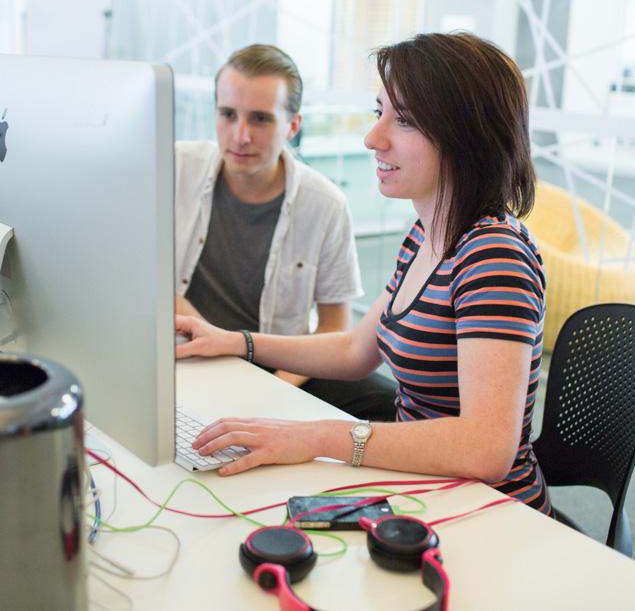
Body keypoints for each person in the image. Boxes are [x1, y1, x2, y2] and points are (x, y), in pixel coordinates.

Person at [176, 33, 551, 515]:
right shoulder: (428, 235)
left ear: (465, 136)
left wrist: (319, 437)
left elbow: (487, 449)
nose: (374, 138)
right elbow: (356, 350)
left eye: (406, 121)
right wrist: (238, 341)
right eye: (380, 114)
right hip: (423, 489)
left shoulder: (494, 256)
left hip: (488, 511)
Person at [175, 43, 397, 422]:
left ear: (293, 126)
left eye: (260, 119)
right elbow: (141, 279)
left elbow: (333, 328)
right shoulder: (176, 167)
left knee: (386, 400)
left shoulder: (325, 204)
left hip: (275, 365)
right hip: (180, 350)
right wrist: (209, 341)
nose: (240, 135)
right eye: (228, 114)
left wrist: (272, 391)